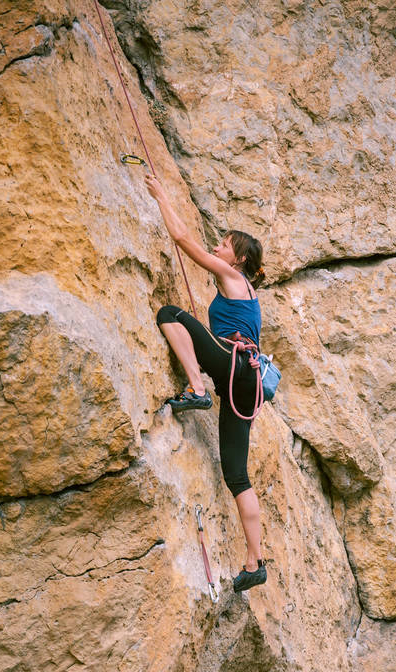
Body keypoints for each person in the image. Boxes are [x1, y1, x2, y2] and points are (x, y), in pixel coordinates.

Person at [145, 173, 267, 593]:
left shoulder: (232, 278)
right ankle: (256, 560)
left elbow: (183, 240)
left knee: (169, 313)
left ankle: (196, 388)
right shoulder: (246, 288)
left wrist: (162, 194)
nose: (217, 246)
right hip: (247, 379)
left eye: (224, 244)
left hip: (232, 370)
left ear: (236, 261)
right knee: (237, 475)